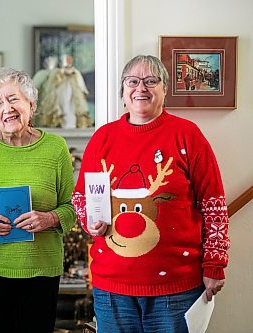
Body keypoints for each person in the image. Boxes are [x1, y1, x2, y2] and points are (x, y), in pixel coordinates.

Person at [72, 55, 230, 332]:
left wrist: (215, 265)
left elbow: (213, 205)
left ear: (164, 89)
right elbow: (81, 197)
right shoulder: (102, 139)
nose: (140, 88)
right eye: (132, 81)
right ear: (122, 91)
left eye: (150, 81)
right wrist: (89, 220)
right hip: (112, 290)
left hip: (176, 289)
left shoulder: (188, 135)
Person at [0, 68, 76, 333]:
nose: (6, 108)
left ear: (31, 104)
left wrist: (50, 218)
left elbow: (72, 205)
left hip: (41, 268)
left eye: (13, 99)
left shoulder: (55, 148)